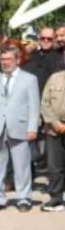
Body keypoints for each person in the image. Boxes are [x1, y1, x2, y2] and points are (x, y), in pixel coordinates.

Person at [0, 45, 40, 212]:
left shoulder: (29, 79)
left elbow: (34, 106)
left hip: (19, 126)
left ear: (17, 60)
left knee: (21, 165)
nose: (5, 62)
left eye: (8, 59)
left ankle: (24, 198)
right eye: (3, 59)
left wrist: (32, 128)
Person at [41, 68, 65, 211]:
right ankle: (56, 198)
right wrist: (56, 124)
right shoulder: (54, 77)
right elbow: (45, 102)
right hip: (54, 129)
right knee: (54, 166)